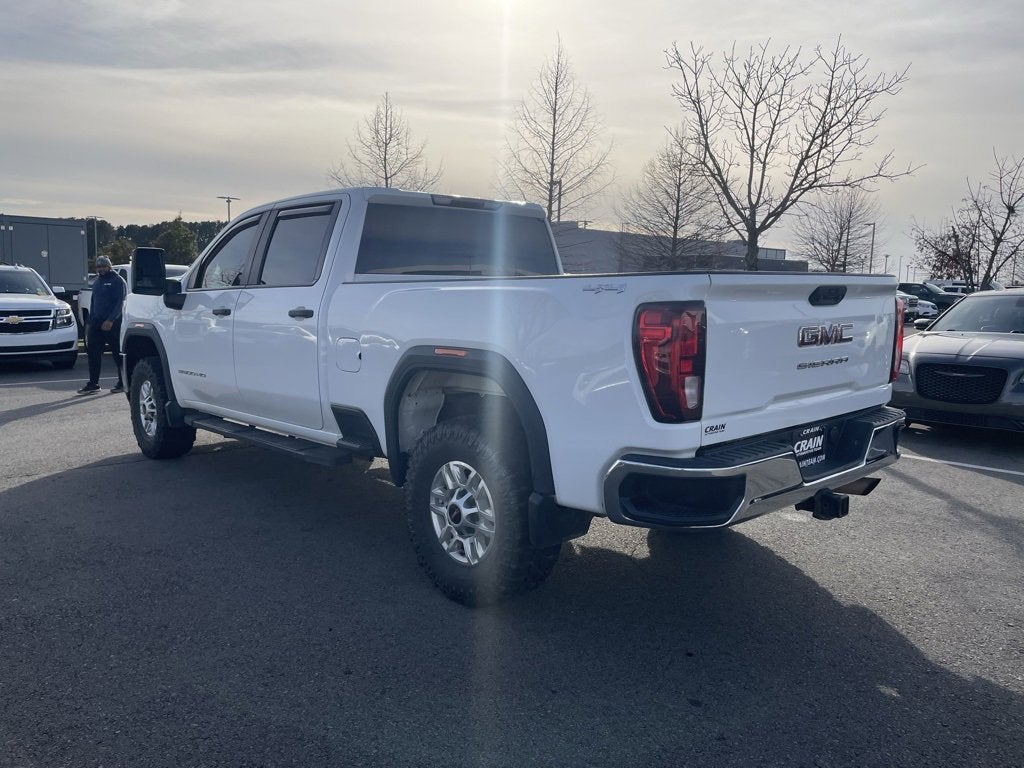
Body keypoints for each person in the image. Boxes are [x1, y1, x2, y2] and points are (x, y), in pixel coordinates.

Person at [77, 256, 126, 395]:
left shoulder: (117, 280)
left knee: (117, 354)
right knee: (93, 354)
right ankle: (93, 384)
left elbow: (120, 302)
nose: (101, 269)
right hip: (96, 323)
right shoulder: (97, 282)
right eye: (98, 267)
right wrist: (91, 321)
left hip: (112, 324)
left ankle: (122, 382)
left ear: (109, 266)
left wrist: (111, 320)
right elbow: (94, 302)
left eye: (103, 266)